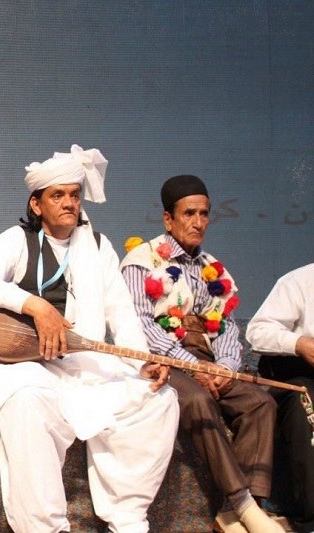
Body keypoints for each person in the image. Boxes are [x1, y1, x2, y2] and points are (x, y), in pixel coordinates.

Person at [0, 144, 179, 533]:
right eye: (57, 195)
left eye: (74, 195)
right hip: (20, 364)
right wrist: (35, 306)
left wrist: (142, 360)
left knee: (157, 398)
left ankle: (127, 516)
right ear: (37, 204)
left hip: (80, 362)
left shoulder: (97, 246)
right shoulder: (16, 239)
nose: (68, 203)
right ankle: (45, 527)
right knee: (30, 403)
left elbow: (121, 312)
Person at [120, 174, 282, 533]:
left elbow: (224, 326)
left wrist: (225, 367)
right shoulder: (141, 260)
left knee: (260, 402)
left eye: (204, 214)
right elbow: (141, 325)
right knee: (196, 400)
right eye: (189, 213)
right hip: (161, 361)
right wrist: (194, 367)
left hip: (207, 360)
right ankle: (245, 504)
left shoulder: (214, 268)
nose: (197, 222)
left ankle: (231, 513)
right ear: (168, 219)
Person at [246, 263, 314, 532]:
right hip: (298, 378)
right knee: (306, 405)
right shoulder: (300, 281)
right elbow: (257, 332)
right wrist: (298, 344)